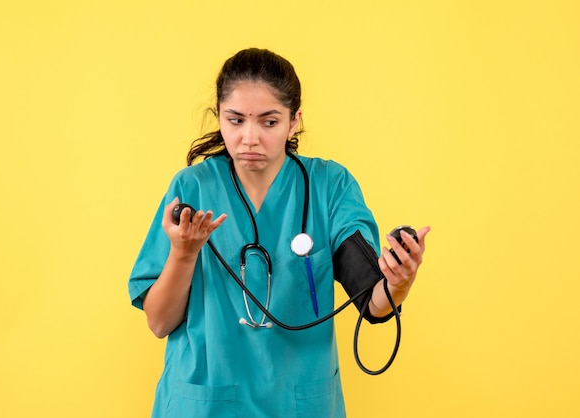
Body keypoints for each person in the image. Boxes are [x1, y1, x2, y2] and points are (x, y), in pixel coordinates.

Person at [128, 47, 430, 418]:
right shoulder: (192, 190)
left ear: (294, 121)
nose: (249, 138)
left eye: (269, 122)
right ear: (219, 118)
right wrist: (184, 253)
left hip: (299, 404)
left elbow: (373, 301)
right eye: (235, 120)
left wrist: (399, 281)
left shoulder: (329, 187)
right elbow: (159, 323)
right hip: (205, 404)